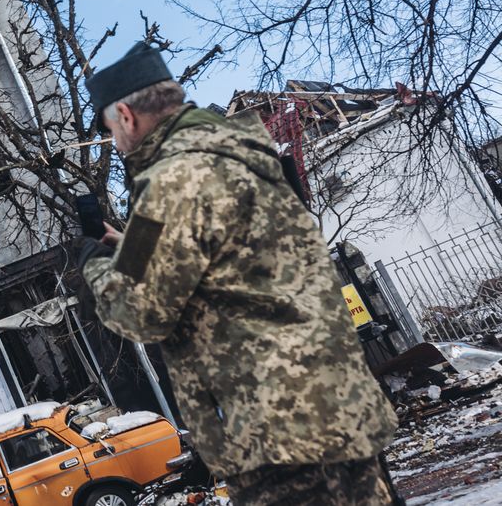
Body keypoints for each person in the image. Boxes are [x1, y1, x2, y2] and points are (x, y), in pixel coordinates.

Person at [79, 42, 398, 505]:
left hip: (278, 435)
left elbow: (139, 312)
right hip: (341, 405)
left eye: (110, 129)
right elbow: (222, 262)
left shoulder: (171, 180)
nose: (115, 142)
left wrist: (96, 264)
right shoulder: (243, 154)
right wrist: (129, 249)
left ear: (126, 116)